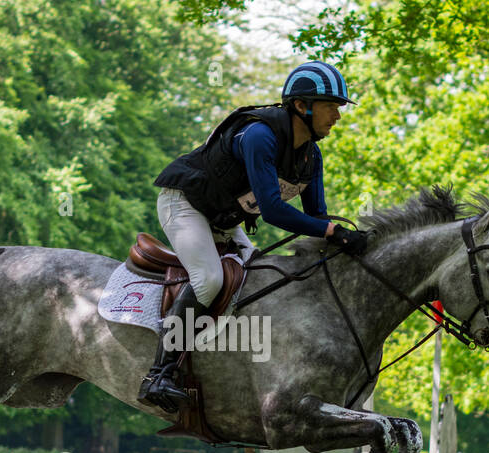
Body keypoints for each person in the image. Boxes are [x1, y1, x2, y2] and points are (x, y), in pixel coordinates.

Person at [139, 61, 369, 411]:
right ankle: (159, 374)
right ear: (301, 106)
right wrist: (331, 231)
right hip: (184, 204)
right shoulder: (261, 136)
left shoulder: (311, 156)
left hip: (223, 219)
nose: (337, 116)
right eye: (331, 106)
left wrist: (345, 241)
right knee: (209, 280)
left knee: (257, 277)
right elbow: (275, 211)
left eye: (338, 108)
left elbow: (318, 219)